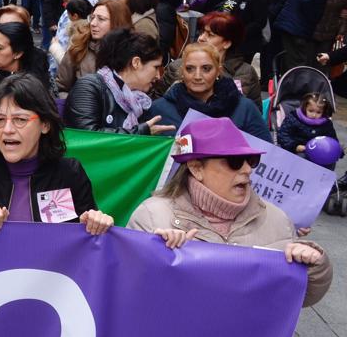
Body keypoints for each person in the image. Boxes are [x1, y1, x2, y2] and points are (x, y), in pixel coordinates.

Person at [127, 117, 330, 308]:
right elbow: (131, 290)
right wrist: (161, 257)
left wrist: (314, 265)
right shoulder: (152, 216)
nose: (247, 170)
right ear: (196, 168)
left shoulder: (277, 219)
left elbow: (300, 298)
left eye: (250, 160)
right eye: (234, 161)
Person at [0, 73, 114, 234]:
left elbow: (84, 247)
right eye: (0, 120)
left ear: (45, 124)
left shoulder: (70, 173)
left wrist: (95, 225)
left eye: (20, 120)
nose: (7, 130)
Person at [145, 43, 269, 140]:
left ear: (218, 72)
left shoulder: (244, 108)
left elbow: (266, 155)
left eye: (206, 68)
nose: (197, 76)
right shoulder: (159, 110)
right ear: (182, 72)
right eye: (190, 69)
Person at [64, 30, 173, 135]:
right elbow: (88, 137)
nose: (158, 76)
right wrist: (140, 132)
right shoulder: (89, 88)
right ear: (136, 63)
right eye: (156, 67)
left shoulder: (140, 101)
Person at [57, 0, 132, 93]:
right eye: (92, 18)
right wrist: (77, 105)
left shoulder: (133, 54)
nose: (93, 23)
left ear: (117, 22)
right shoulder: (79, 48)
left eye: (101, 19)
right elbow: (61, 88)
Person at [196, 11, 262, 109]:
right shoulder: (178, 66)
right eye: (201, 32)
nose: (201, 38)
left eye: (210, 35)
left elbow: (251, 116)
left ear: (226, 43)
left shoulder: (245, 73)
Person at [276, 93, 340, 167]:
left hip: (319, 151)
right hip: (297, 150)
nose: (314, 115)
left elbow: (332, 138)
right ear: (305, 108)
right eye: (311, 111)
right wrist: (295, 146)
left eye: (318, 112)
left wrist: (335, 150)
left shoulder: (326, 123)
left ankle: (324, 178)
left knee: (330, 161)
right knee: (301, 158)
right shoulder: (294, 118)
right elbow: (283, 135)